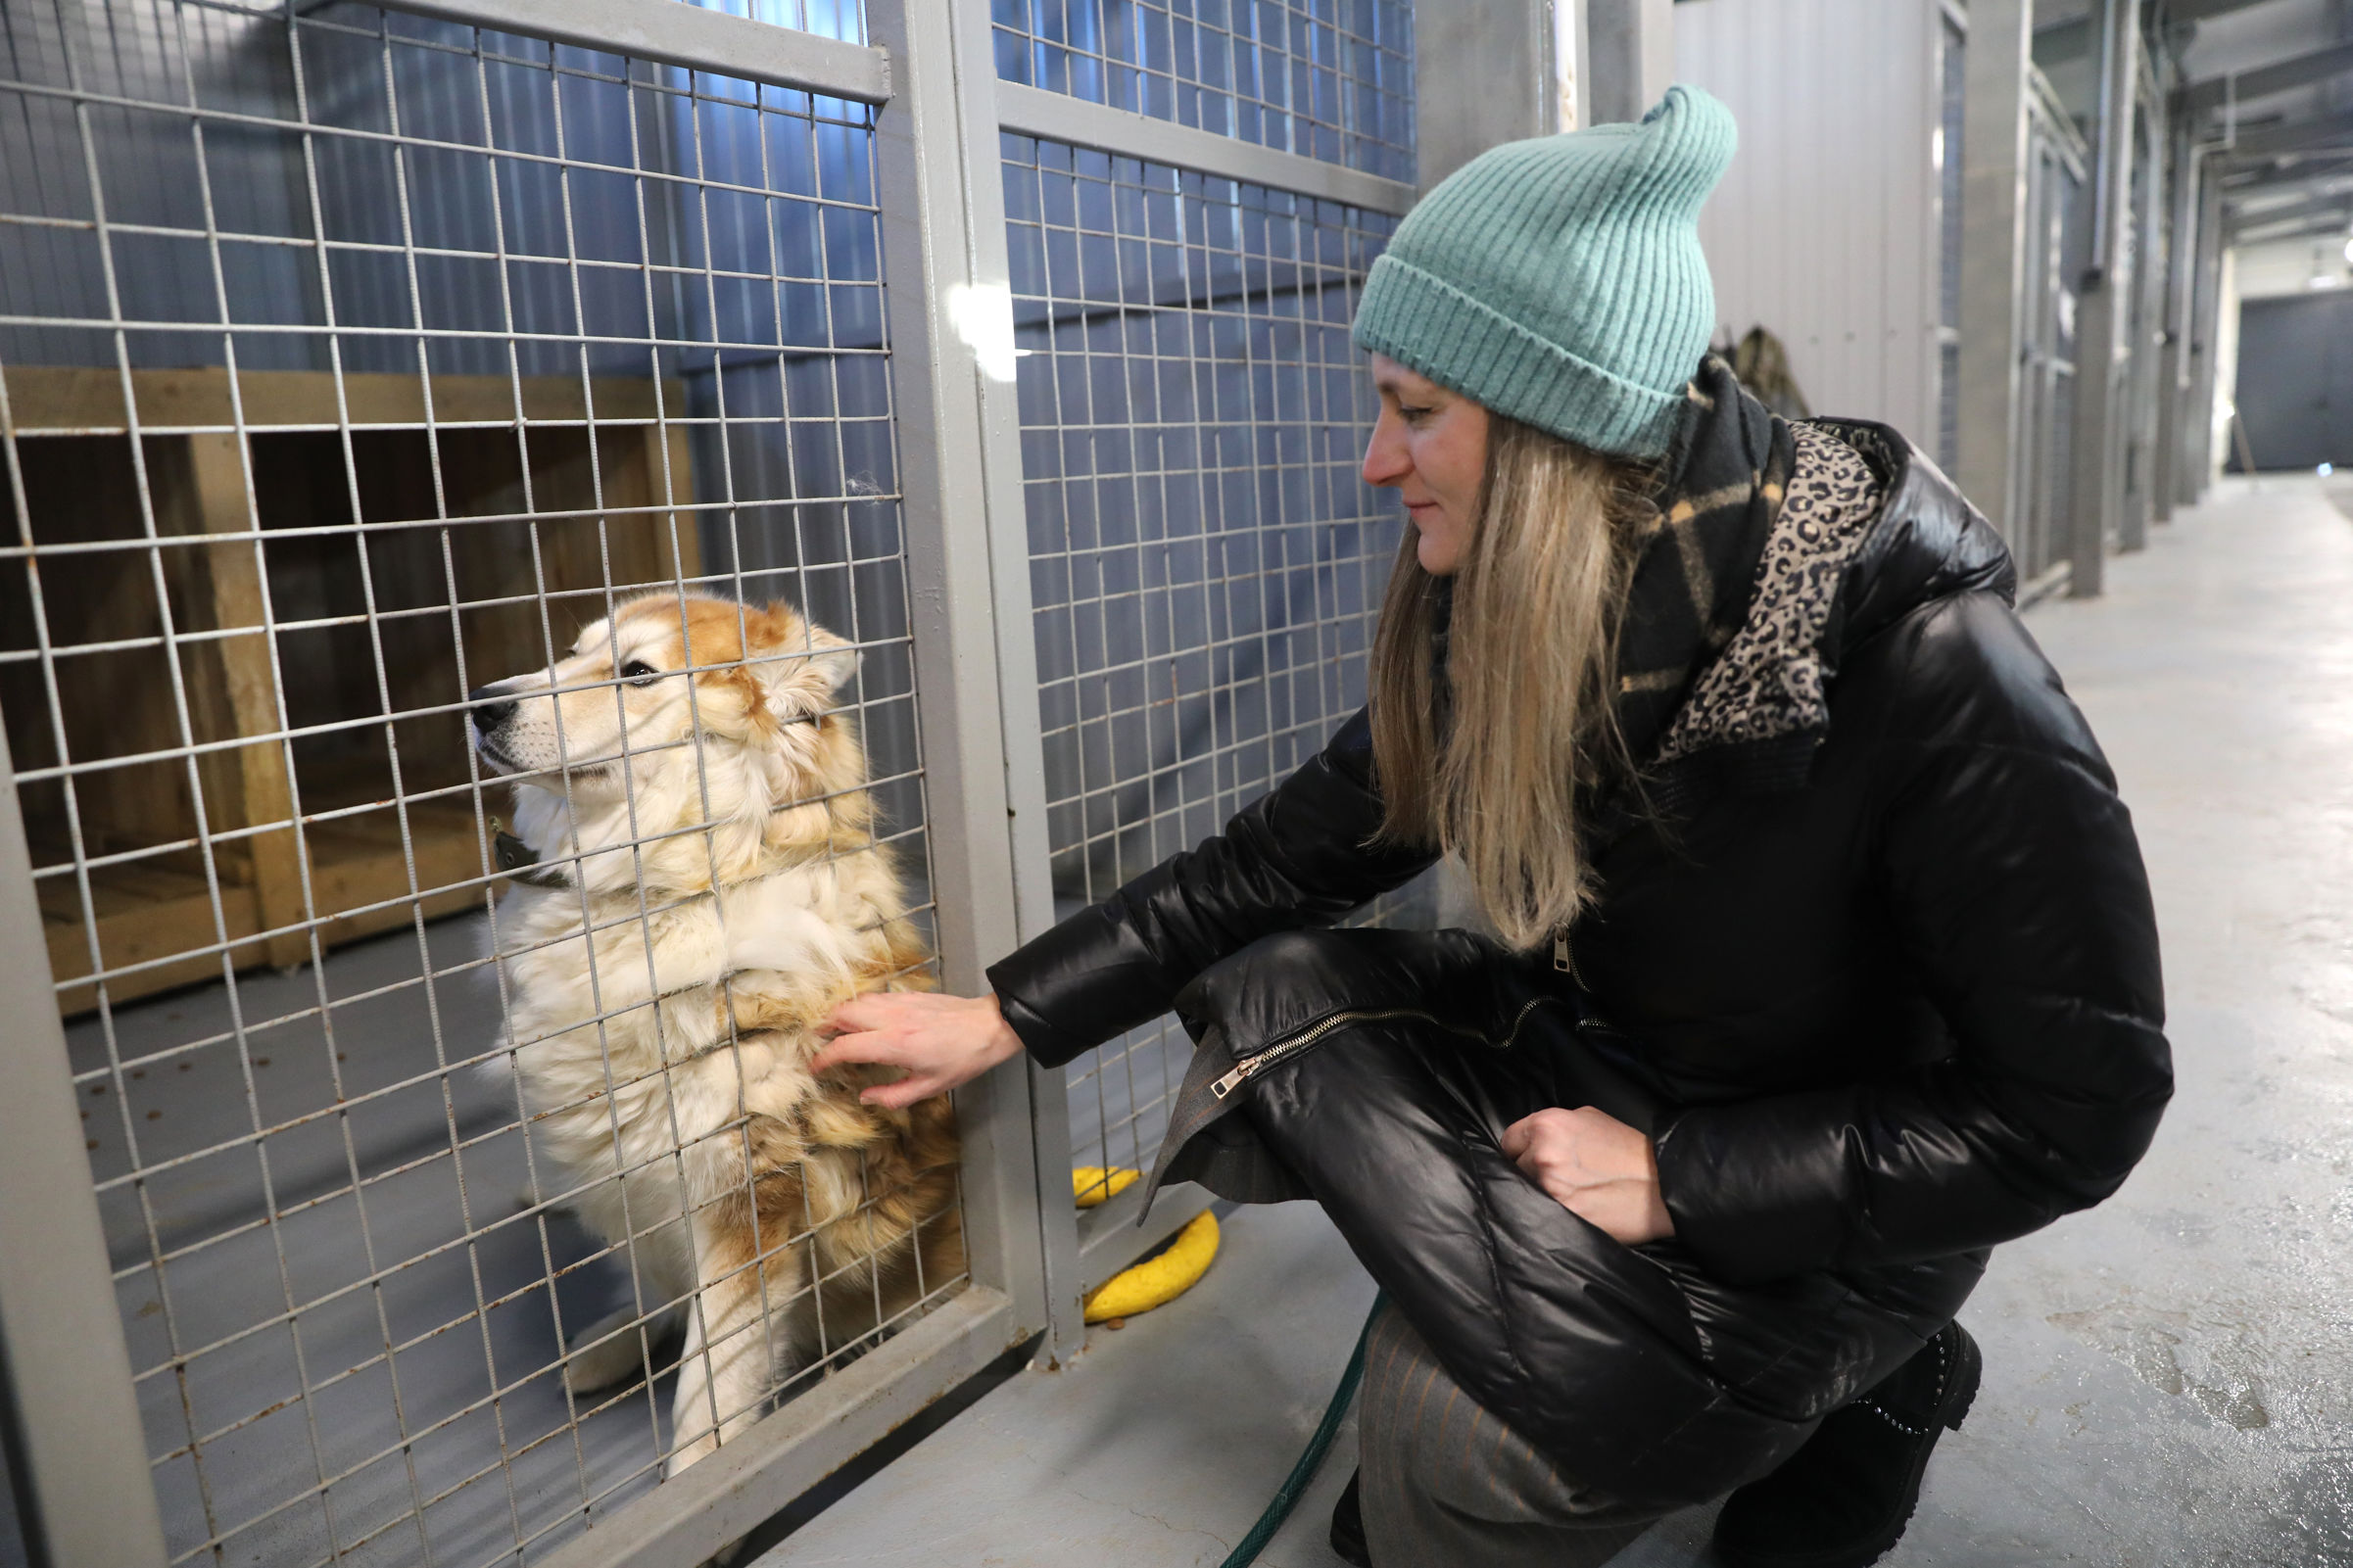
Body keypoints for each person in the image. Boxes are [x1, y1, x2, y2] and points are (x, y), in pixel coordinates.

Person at [814, 86, 2171, 1568]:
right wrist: (1006, 1013)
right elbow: (1275, 862)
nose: (1373, 462)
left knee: (1455, 1456)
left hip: (1830, 1176)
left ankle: (1879, 1380)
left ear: (1553, 431)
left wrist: (1684, 1180)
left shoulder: (1932, 671)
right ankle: (1513, 1411)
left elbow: (2076, 1108)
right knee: (1273, 997)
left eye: (1413, 415)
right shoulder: (1516, 624)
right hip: (1621, 1070)